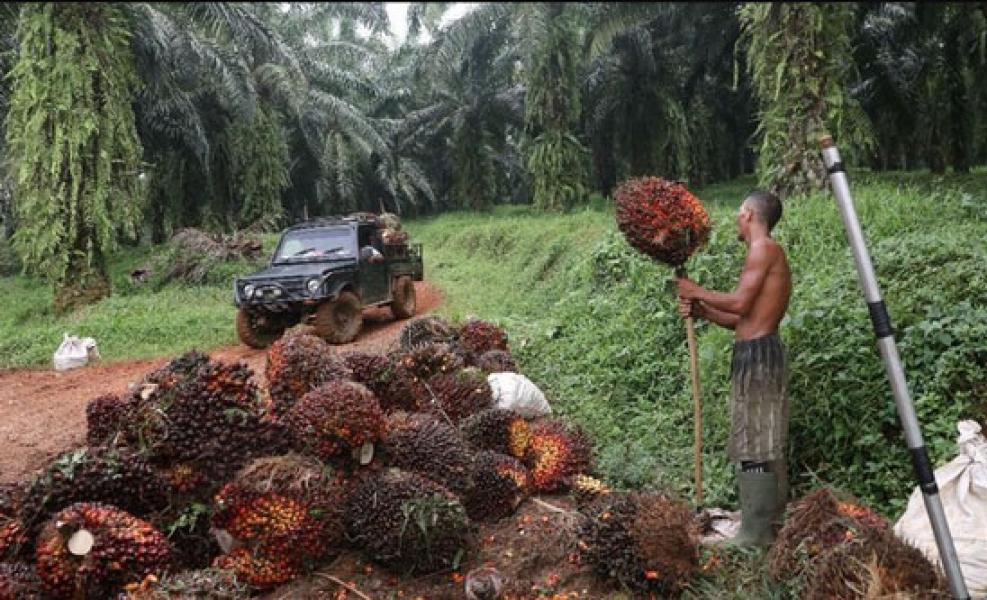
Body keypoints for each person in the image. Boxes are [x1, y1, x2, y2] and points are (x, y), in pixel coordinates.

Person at [676, 189, 792, 547]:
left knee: (756, 439)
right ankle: (766, 519)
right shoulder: (763, 252)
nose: (736, 220)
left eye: (739, 213)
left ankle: (756, 533)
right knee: (758, 435)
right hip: (754, 352)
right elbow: (742, 319)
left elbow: (740, 303)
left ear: (750, 215)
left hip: (759, 358)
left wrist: (696, 290)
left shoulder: (764, 249)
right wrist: (703, 311)